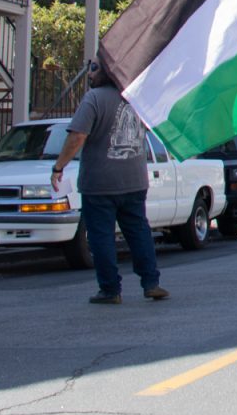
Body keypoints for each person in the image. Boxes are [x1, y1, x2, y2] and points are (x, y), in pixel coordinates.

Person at [51, 59, 169, 304]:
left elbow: (78, 136)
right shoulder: (137, 99)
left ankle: (110, 289)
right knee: (139, 233)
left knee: (101, 236)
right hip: (135, 180)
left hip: (100, 182)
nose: (90, 73)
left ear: (104, 73)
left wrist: (59, 166)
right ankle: (151, 283)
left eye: (93, 68)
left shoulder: (93, 99)